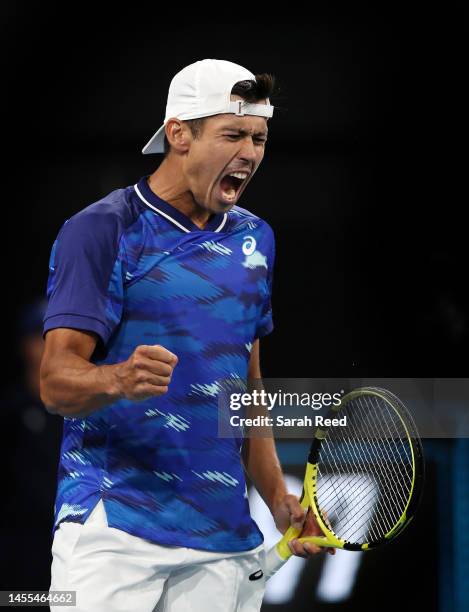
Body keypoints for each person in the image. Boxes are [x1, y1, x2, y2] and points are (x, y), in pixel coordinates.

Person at [40, 59, 332, 612]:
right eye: (233, 134)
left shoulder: (256, 239)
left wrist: (276, 500)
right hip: (114, 528)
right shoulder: (103, 229)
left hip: (221, 540)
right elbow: (56, 384)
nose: (250, 152)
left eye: (259, 138)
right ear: (179, 134)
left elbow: (247, 387)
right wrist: (119, 378)